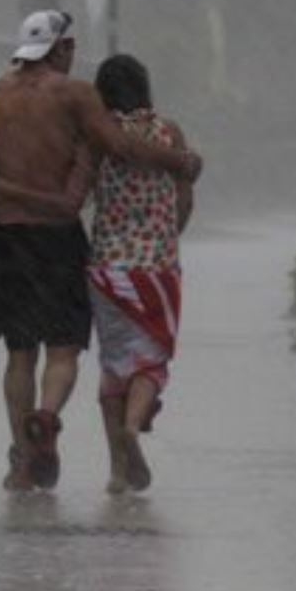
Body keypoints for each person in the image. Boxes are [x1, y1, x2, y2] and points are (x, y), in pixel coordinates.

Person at [0, 11, 201, 492]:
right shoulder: (74, 95)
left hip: (2, 237)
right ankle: (47, 417)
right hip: (57, 238)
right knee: (64, 349)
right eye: (69, 48)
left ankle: (19, 459)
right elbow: (119, 145)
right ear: (61, 49)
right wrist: (180, 161)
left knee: (20, 353)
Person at [85, 55, 194, 495]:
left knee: (113, 369)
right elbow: (185, 199)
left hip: (108, 269)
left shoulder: (98, 139)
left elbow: (82, 190)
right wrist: (167, 237)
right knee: (150, 362)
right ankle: (133, 428)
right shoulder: (170, 134)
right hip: (158, 269)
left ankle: (116, 471)